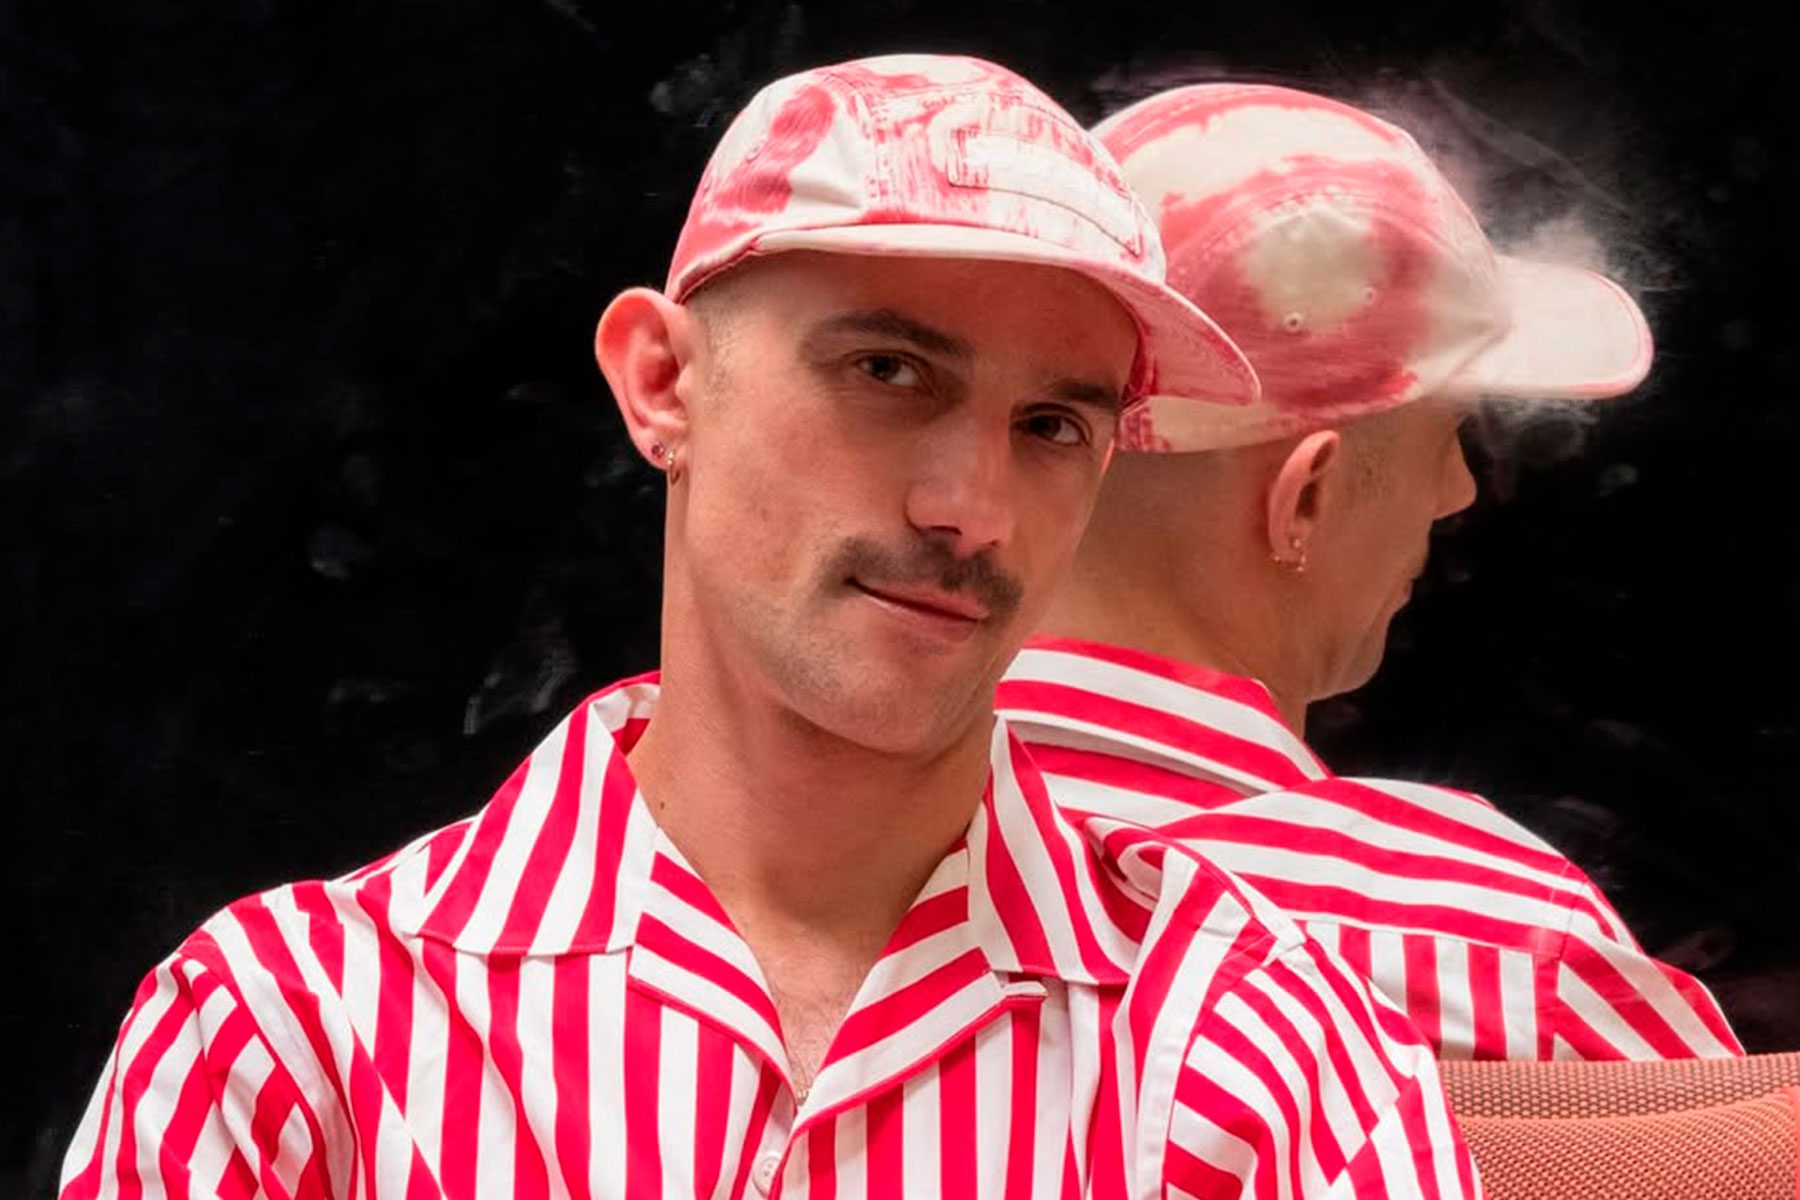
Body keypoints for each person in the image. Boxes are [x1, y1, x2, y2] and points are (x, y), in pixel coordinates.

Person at [60, 57, 1481, 1199]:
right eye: (889, 371)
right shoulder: (293, 1037)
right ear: (662, 382)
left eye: (1052, 425)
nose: (972, 509)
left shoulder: (1261, 1047)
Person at [999, 82, 1742, 1061]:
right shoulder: (1505, 951)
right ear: (1304, 496)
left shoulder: (826, 869)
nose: (1459, 489)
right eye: (1448, 433)